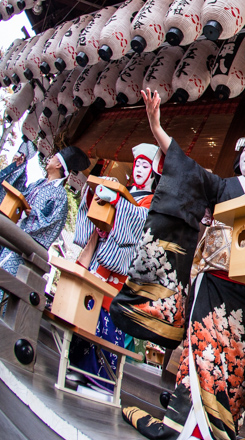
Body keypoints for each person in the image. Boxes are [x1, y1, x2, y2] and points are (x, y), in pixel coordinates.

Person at [117, 89, 245, 440]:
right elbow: (186, 169)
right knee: (202, 356)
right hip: (214, 285)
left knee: (234, 366)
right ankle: (183, 430)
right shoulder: (223, 186)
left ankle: (215, 432)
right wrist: (156, 127)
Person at [68, 143, 162, 392]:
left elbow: (139, 222)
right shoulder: (125, 192)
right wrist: (95, 197)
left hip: (121, 270)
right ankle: (77, 366)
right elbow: (107, 213)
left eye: (145, 165)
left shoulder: (151, 200)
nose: (140, 169)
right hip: (103, 259)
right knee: (88, 308)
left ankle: (102, 379)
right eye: (138, 165)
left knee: (107, 317)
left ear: (153, 171)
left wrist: (118, 202)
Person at [0, 145, 89, 276]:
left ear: (58, 164)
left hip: (23, 245)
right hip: (12, 234)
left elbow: (53, 223)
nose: (48, 160)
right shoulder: (40, 183)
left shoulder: (60, 195)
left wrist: (33, 215)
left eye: (52, 158)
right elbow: (21, 195)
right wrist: (20, 166)